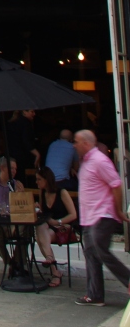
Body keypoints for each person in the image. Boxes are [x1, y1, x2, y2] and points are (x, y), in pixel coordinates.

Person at [74, 129, 130, 307]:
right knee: (91, 254)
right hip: (89, 217)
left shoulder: (100, 160)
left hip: (102, 214)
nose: (74, 145)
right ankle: (95, 295)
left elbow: (116, 185)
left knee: (100, 250)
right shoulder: (85, 162)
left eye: (76, 142)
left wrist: (118, 211)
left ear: (86, 143)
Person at [34, 167, 77, 288]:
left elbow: (73, 214)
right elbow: (44, 213)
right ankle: (54, 269)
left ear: (47, 179)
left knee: (40, 238)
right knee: (40, 228)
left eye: (39, 179)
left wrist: (58, 222)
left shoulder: (61, 192)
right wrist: (38, 208)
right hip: (48, 227)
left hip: (63, 226)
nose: (36, 182)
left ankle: (54, 271)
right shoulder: (42, 192)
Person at [7, 109, 40, 186]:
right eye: (32, 111)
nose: (34, 114)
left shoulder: (12, 122)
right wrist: (37, 154)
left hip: (11, 156)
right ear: (24, 112)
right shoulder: (26, 123)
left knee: (14, 179)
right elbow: (26, 141)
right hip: (22, 158)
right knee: (24, 181)